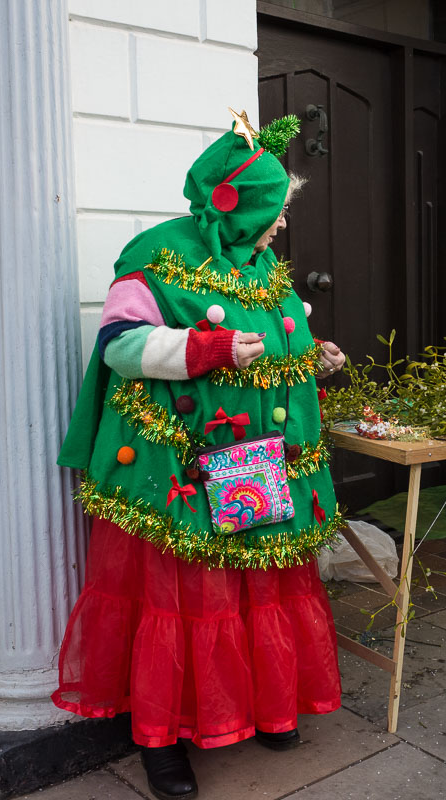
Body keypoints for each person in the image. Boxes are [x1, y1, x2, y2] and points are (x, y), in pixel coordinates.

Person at [53, 113, 347, 800]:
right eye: (275, 211)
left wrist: (313, 355)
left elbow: (273, 344)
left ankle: (264, 709)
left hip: (255, 463)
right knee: (185, 595)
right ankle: (162, 742)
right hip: (179, 465)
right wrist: (200, 349)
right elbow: (119, 345)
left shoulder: (262, 267)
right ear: (235, 204)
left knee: (253, 586)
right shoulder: (155, 255)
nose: (280, 225)